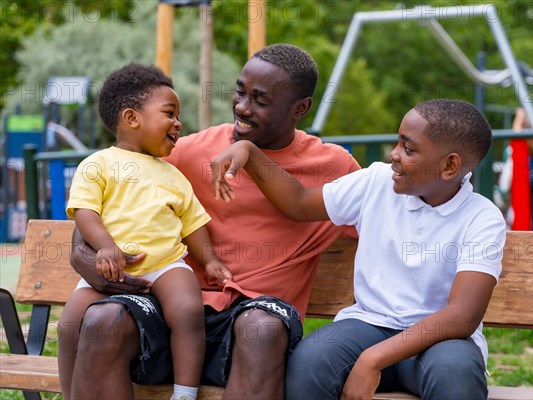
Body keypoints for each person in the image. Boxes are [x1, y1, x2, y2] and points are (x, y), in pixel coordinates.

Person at [66, 44, 361, 399]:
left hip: (252, 318)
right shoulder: (186, 153)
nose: (241, 107)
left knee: (263, 327)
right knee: (103, 321)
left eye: (260, 100)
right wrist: (82, 256)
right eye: (240, 92)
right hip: (171, 311)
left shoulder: (332, 168)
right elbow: (100, 206)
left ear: (300, 109)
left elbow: (395, 217)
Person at [211, 99, 507, 400]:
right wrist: (250, 153)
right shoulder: (376, 182)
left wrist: (372, 360)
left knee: (456, 377)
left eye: (408, 148)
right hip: (367, 326)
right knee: (309, 364)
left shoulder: (481, 217)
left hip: (439, 342)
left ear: (449, 166)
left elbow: (461, 316)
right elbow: (298, 202)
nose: (393, 154)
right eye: (398, 142)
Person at [58, 63, 232, 400]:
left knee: (187, 309)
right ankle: (69, 394)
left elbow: (193, 223)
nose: (178, 122)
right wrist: (106, 248)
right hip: (109, 266)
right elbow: (85, 211)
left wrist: (209, 261)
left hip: (165, 264)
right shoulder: (98, 164)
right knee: (68, 325)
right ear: (131, 118)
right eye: (170, 113)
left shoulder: (173, 175)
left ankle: (184, 392)